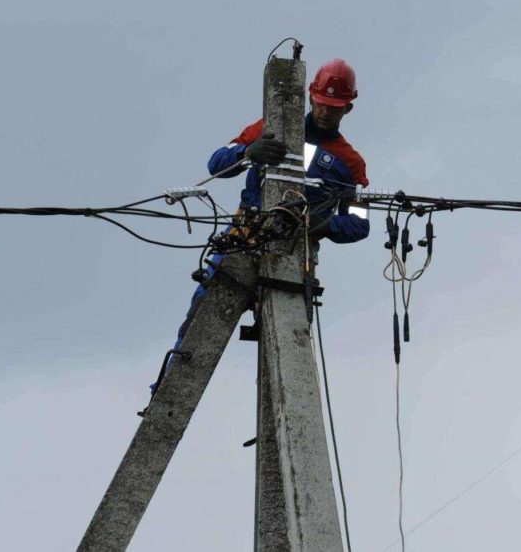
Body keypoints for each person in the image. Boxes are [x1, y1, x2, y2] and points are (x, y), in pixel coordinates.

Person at [150, 59, 370, 395]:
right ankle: (164, 393)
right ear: (311, 97)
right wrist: (248, 152)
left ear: (348, 108)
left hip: (294, 258)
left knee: (290, 353)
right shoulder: (273, 126)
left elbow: (358, 223)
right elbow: (217, 163)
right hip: (244, 239)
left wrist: (321, 224)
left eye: (334, 107)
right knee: (199, 322)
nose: (326, 111)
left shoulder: (350, 164)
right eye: (321, 103)